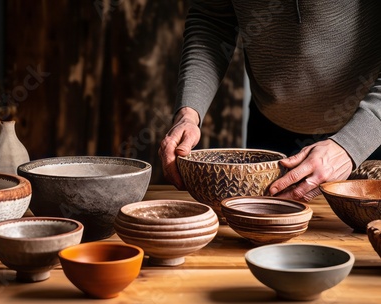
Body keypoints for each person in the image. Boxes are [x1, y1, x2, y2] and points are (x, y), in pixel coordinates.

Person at [159, 0, 381, 202]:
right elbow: (213, 21)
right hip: (269, 129)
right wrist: (188, 113)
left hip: (371, 132)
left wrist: (352, 144)